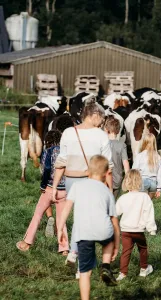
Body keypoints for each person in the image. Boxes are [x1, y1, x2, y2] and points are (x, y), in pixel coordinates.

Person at [52, 102, 114, 270]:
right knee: (90, 220)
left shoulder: (68, 132)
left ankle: (74, 252)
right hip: (92, 181)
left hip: (71, 180)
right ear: (93, 115)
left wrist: (55, 185)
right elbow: (108, 166)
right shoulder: (101, 135)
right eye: (101, 117)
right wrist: (109, 188)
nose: (102, 121)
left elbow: (61, 161)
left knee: (78, 218)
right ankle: (81, 262)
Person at [57, 155, 120, 300]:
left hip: (83, 233)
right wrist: (116, 245)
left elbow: (66, 208)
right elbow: (114, 222)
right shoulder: (107, 192)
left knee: (84, 272)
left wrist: (60, 228)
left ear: (88, 171)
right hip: (104, 230)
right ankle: (105, 266)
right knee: (108, 240)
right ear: (106, 174)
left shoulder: (77, 186)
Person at [16, 130, 69, 254]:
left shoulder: (48, 152)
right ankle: (64, 248)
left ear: (47, 141)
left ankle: (27, 243)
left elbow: (47, 169)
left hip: (49, 188)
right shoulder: (66, 153)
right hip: (63, 190)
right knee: (61, 219)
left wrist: (43, 185)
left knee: (38, 215)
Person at [115, 169, 156, 281]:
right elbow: (149, 213)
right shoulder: (144, 197)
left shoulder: (123, 198)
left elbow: (115, 212)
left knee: (126, 251)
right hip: (138, 230)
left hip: (126, 231)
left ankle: (122, 273)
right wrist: (151, 229)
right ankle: (143, 269)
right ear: (140, 182)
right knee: (143, 249)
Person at [103, 116, 130, 198]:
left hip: (104, 179)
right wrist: (127, 178)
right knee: (113, 202)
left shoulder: (103, 144)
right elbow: (125, 163)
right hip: (117, 180)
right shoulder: (122, 145)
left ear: (106, 130)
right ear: (118, 131)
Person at [132, 133, 161, 199]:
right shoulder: (157, 157)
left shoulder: (140, 156)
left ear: (144, 142)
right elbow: (160, 174)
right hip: (153, 183)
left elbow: (134, 171)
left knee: (142, 204)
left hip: (142, 182)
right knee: (148, 204)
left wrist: (133, 184)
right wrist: (159, 189)